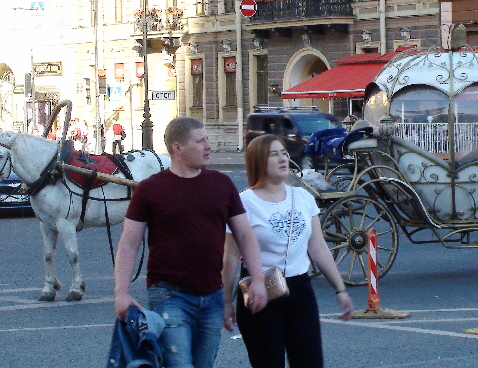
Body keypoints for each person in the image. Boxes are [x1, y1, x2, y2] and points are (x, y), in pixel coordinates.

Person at [114, 116, 268, 368]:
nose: (208, 146)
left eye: (207, 139)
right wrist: (121, 293)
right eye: (200, 141)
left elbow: (245, 235)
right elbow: (129, 244)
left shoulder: (221, 184)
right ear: (178, 148)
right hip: (169, 295)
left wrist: (258, 281)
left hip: (212, 295)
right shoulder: (150, 189)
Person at [222, 134, 354, 368]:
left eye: (284, 153)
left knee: (310, 362)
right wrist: (226, 302)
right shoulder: (244, 202)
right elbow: (230, 256)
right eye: (274, 154)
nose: (283, 159)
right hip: (259, 291)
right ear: (258, 161)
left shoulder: (302, 197)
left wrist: (340, 289)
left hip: (300, 290)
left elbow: (318, 247)